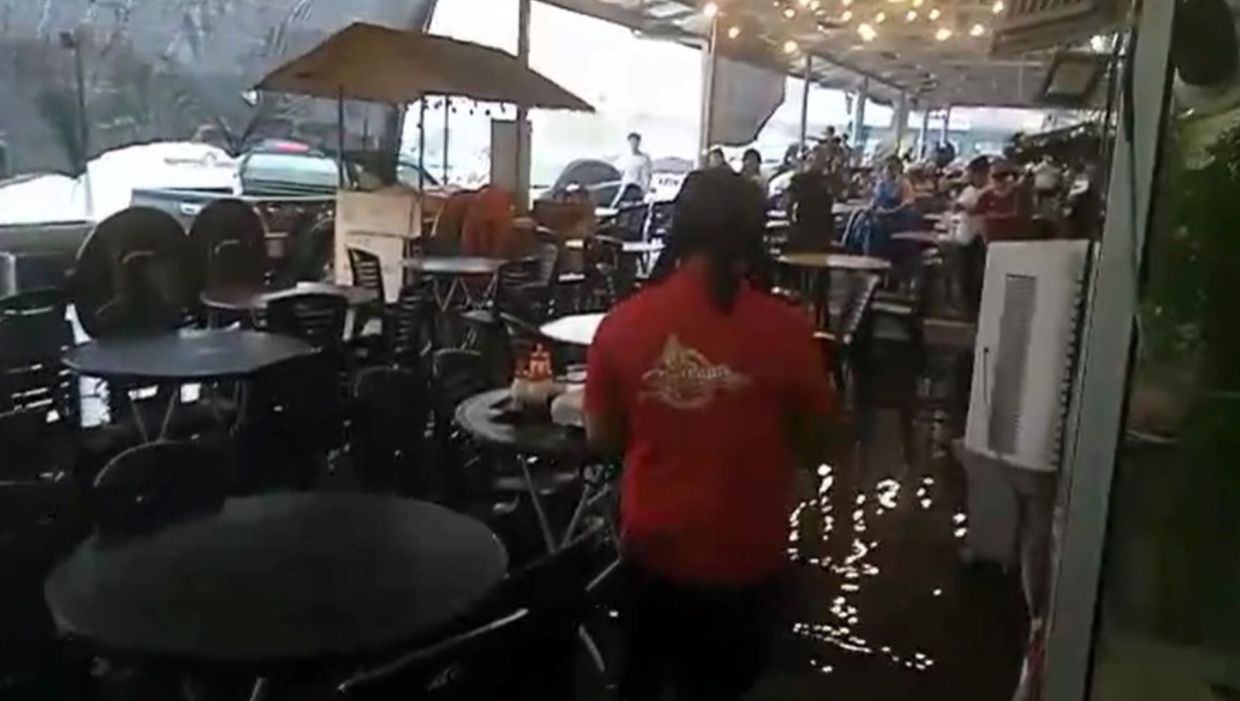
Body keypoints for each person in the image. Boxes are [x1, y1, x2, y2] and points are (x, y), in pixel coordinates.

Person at [585, 169, 837, 701]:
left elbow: (603, 438)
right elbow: (819, 441)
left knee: (644, 680)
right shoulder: (788, 330)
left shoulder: (622, 324)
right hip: (750, 561)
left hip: (654, 556)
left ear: (679, 229)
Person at [951, 156, 990, 316]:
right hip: (965, 236)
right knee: (964, 275)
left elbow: (976, 208)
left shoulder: (989, 191)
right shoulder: (969, 190)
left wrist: (966, 207)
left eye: (975, 173)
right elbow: (957, 206)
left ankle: (974, 311)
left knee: (977, 277)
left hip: (980, 239)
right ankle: (965, 309)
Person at [783, 146, 836, 252]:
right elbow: (789, 205)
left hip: (818, 234)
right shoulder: (799, 181)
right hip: (804, 233)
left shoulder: (827, 182)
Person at [976, 158, 1033, 241]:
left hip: (1017, 240)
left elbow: (1025, 218)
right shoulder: (985, 196)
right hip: (992, 241)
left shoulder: (1021, 194)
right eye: (995, 176)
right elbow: (979, 219)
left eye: (1003, 175)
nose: (1000, 180)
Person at [615, 132, 653, 206]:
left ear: (638, 143)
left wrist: (644, 191)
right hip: (625, 187)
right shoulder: (626, 157)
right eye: (631, 142)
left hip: (636, 187)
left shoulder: (644, 159)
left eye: (635, 142)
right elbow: (623, 173)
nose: (633, 144)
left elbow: (647, 176)